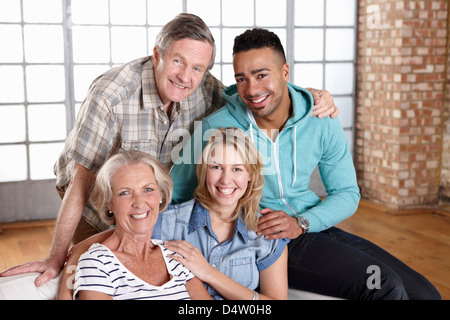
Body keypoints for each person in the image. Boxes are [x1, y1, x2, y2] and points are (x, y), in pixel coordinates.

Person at [0, 13, 336, 288]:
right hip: (96, 201)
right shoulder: (112, 95)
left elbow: (257, 94)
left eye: (198, 68)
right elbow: (81, 182)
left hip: (160, 207)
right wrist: (58, 256)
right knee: (99, 273)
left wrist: (308, 96)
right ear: (158, 54)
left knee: (162, 278)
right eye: (178, 61)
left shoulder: (207, 89)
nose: (186, 77)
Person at [169, 28, 442, 300]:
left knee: (424, 293)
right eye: (242, 78)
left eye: (262, 75)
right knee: (383, 285)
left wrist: (303, 222)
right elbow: (176, 193)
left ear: (285, 72)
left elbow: (347, 193)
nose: (251, 90)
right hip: (270, 239)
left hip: (313, 225)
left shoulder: (320, 117)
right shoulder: (216, 128)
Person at [60, 128, 288, 300]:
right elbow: (110, 240)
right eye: (216, 167)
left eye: (237, 169)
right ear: (203, 171)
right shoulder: (166, 223)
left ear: (251, 175)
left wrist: (208, 273)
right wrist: (63, 280)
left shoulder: (266, 231)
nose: (226, 179)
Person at [72, 150, 210, 300]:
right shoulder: (97, 264)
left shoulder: (176, 255)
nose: (139, 203)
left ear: (161, 196)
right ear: (108, 203)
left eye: (148, 189)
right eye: (125, 193)